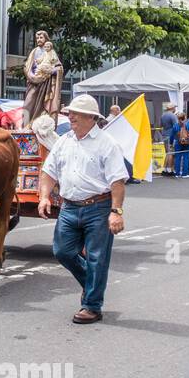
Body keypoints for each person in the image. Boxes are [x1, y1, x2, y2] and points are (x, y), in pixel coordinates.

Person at [38, 95, 128, 325]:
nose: (71, 117)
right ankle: (92, 284)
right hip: (69, 207)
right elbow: (49, 172)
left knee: (97, 258)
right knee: (62, 251)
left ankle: (92, 305)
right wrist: (44, 197)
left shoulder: (106, 143)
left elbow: (117, 180)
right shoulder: (64, 141)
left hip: (98, 207)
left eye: (76, 113)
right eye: (70, 113)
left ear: (91, 117)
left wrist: (116, 212)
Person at [23, 29, 64, 123]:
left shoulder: (51, 52)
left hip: (46, 84)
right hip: (33, 83)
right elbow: (27, 66)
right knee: (27, 105)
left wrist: (51, 70)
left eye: (41, 37)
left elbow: (59, 68)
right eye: (37, 38)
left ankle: (42, 127)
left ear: (46, 39)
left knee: (44, 108)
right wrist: (31, 75)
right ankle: (25, 126)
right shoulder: (34, 51)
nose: (39, 39)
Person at [167, 112, 189, 178]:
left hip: (178, 143)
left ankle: (177, 173)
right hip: (187, 143)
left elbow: (172, 136)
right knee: (186, 158)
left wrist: (171, 143)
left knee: (178, 158)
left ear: (178, 118)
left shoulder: (175, 126)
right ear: (185, 117)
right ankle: (184, 174)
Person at [158, 102, 177, 175]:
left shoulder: (163, 115)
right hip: (171, 136)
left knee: (167, 153)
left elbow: (160, 126)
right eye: (174, 107)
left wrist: (162, 134)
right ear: (172, 108)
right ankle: (169, 170)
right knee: (170, 153)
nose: (175, 108)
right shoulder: (173, 116)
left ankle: (164, 169)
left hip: (164, 135)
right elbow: (176, 127)